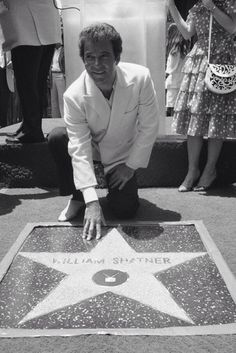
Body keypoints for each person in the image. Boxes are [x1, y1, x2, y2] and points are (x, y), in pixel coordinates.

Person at [48, 23, 159, 240]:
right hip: (91, 150)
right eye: (89, 57)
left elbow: (149, 127)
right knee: (58, 137)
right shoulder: (73, 95)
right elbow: (79, 148)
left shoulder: (141, 78)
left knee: (126, 210)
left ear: (117, 57)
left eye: (104, 56)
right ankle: (79, 195)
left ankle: (112, 186)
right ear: (83, 59)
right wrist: (92, 201)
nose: (96, 65)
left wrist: (129, 167)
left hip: (120, 156)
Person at [168, 0, 236, 192]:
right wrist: (171, 5)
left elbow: (232, 27)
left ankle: (209, 170)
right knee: (194, 114)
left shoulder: (228, 2)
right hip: (198, 60)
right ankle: (192, 171)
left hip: (221, 60)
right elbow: (187, 32)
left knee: (217, 115)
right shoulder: (197, 5)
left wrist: (212, 7)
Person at [0, 0, 61, 143]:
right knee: (37, 82)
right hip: (44, 23)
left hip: (26, 23)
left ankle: (32, 129)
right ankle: (31, 126)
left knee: (27, 82)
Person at [165, 23, 191, 116]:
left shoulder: (174, 51)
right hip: (181, 81)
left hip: (173, 82)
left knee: (171, 106)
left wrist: (164, 75)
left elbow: (171, 68)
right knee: (179, 106)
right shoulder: (184, 50)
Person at [50, 42, 66, 119]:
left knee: (62, 99)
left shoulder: (64, 50)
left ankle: (63, 119)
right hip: (52, 75)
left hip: (60, 75)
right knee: (53, 100)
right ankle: (55, 119)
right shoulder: (51, 51)